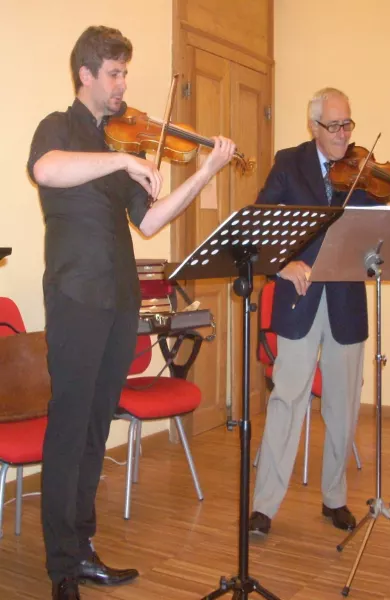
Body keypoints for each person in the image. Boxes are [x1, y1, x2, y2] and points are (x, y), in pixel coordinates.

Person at [27, 25, 235, 600]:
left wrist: (204, 173)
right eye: (114, 73)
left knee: (97, 426)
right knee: (70, 429)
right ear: (86, 75)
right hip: (74, 295)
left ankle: (84, 547)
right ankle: (60, 568)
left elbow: (149, 221)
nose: (122, 84)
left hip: (120, 299)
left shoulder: (126, 143)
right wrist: (118, 159)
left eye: (125, 72)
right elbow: (46, 171)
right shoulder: (58, 129)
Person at [248, 87, 390, 537]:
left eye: (348, 124)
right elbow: (260, 219)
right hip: (300, 298)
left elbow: (385, 222)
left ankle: (334, 499)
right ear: (313, 126)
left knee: (344, 408)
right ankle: (264, 506)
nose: (344, 134)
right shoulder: (289, 163)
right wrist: (283, 263)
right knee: (286, 400)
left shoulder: (366, 175)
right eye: (334, 125)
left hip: (346, 302)